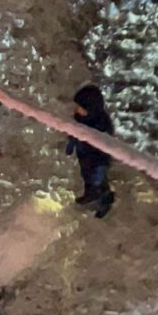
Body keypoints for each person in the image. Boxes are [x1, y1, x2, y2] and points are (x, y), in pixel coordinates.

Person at [66, 85, 115, 219]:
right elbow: (74, 132)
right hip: (85, 154)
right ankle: (90, 193)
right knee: (87, 177)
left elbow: (106, 146)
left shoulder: (102, 124)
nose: (77, 109)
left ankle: (105, 201)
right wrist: (71, 144)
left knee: (98, 181)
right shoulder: (80, 118)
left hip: (97, 157)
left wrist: (101, 165)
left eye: (81, 107)